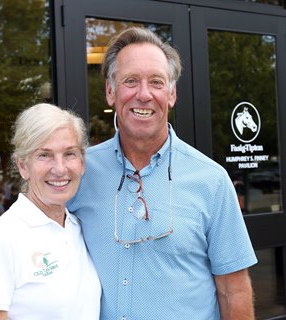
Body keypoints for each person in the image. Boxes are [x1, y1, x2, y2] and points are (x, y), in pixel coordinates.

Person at [68, 27, 258, 320]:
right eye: (130, 81)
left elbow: (234, 290)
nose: (144, 95)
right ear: (110, 91)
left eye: (156, 82)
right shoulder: (78, 173)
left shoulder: (212, 181)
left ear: (171, 94)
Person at [0, 103, 101, 320]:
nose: (59, 168)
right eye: (44, 155)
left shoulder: (78, 226)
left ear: (82, 163)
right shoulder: (0, 238)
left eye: (69, 153)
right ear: (22, 166)